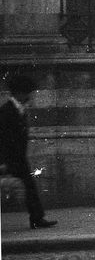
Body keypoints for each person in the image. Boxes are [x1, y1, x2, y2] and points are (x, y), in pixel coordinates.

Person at [0, 72, 57, 229]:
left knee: (30, 186)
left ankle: (37, 218)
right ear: (20, 93)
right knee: (29, 186)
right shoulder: (6, 111)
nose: (29, 97)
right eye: (27, 93)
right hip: (10, 159)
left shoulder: (18, 109)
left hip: (17, 158)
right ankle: (37, 218)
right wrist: (3, 162)